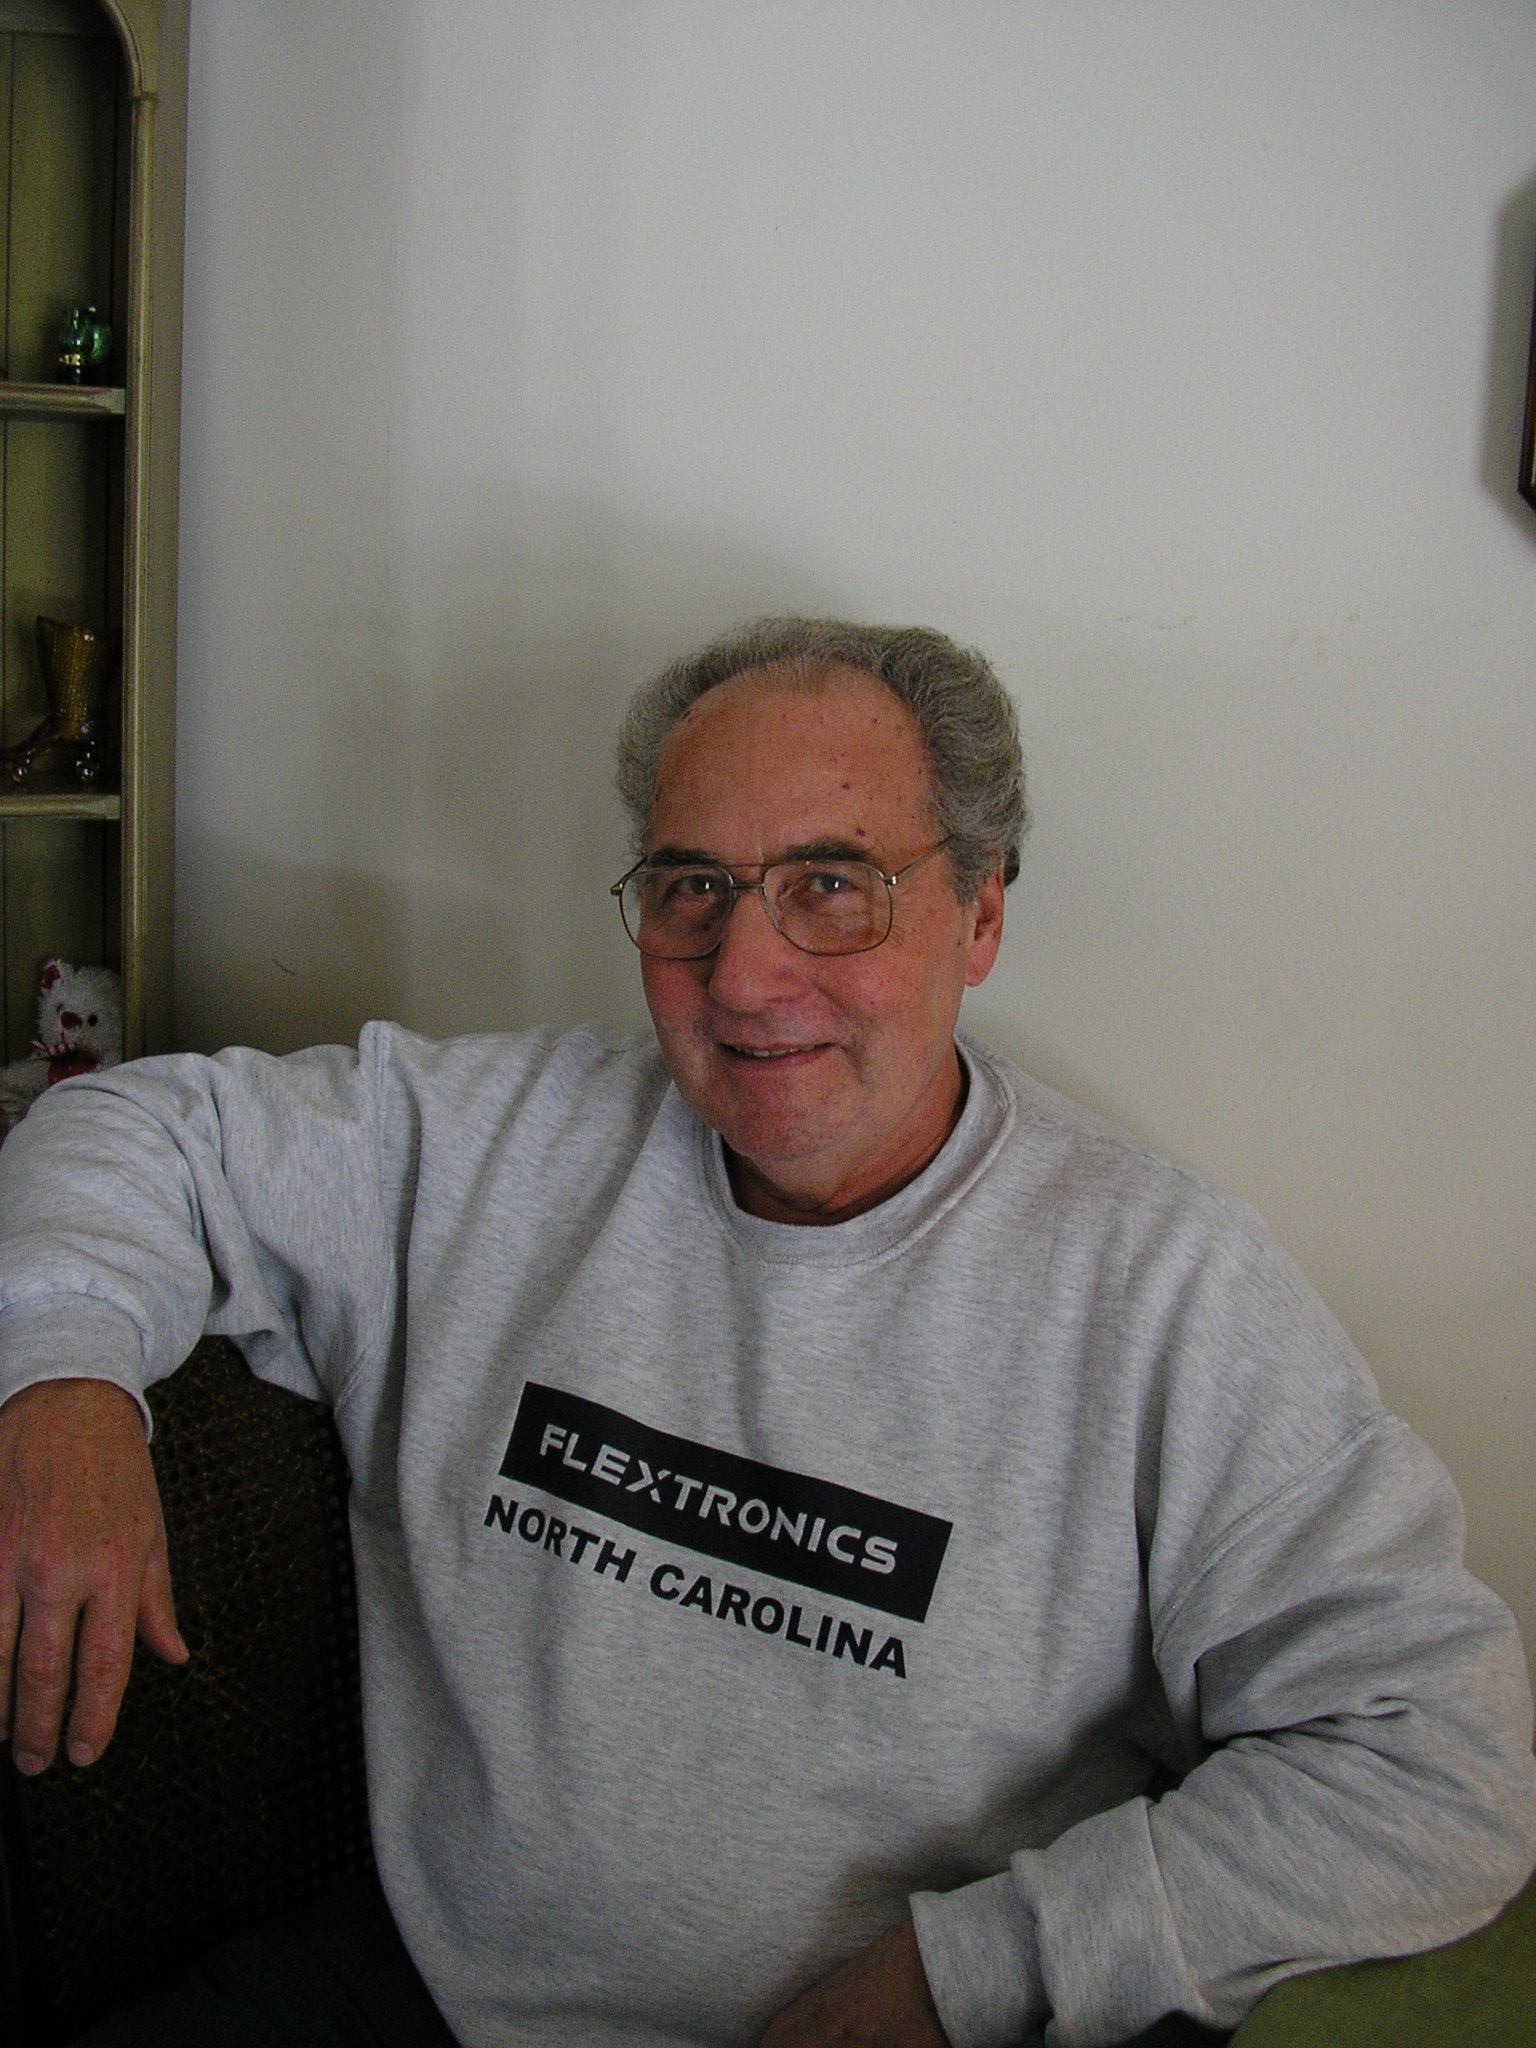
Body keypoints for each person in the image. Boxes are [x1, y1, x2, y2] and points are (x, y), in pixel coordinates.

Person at [0, 616, 1532, 2048]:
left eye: (831, 885)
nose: (743, 974)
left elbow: (1442, 1765)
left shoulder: (1161, 1289)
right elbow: (136, 1128)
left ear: (981, 910)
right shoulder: (484, 1142)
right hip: (428, 1987)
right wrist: (64, 1376)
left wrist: (968, 1975)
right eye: (692, 888)